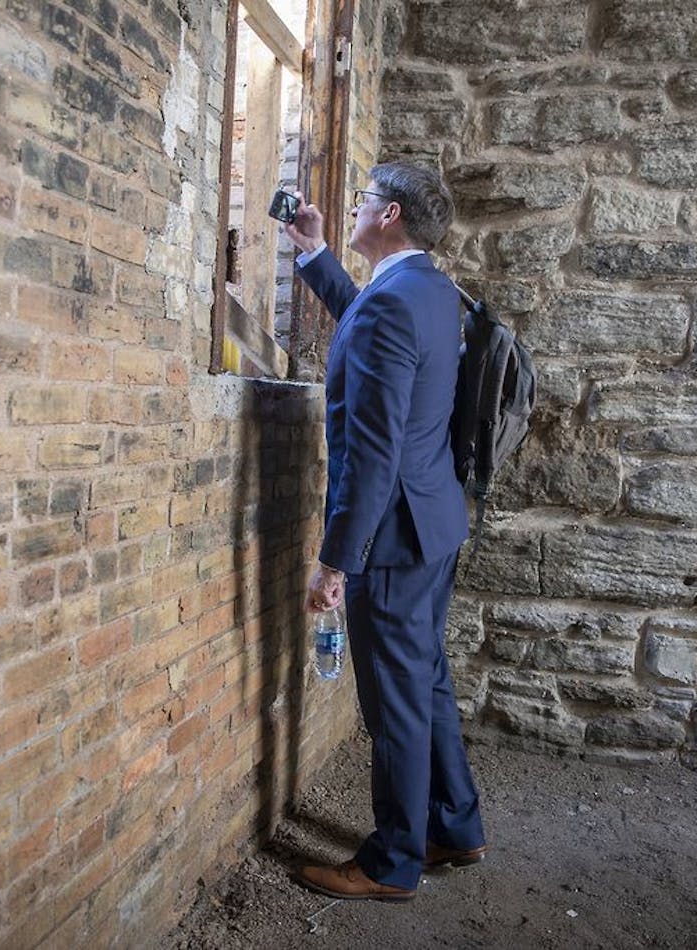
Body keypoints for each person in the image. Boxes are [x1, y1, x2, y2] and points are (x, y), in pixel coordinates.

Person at [283, 163, 487, 902]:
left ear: (390, 214)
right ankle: (456, 826)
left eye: (364, 201)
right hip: (434, 521)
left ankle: (392, 861)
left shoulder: (391, 305)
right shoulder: (429, 290)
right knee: (425, 679)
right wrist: (314, 256)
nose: (356, 209)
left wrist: (337, 561)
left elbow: (371, 453)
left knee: (395, 702)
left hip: (394, 538)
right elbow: (369, 327)